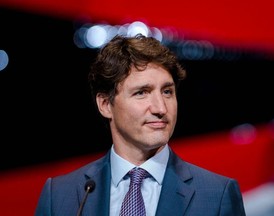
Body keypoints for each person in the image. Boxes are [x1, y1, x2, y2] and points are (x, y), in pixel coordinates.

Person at [35, 34, 246, 216]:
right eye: (141, 92)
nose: (160, 108)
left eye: (167, 92)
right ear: (106, 104)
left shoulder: (217, 195)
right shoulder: (60, 195)